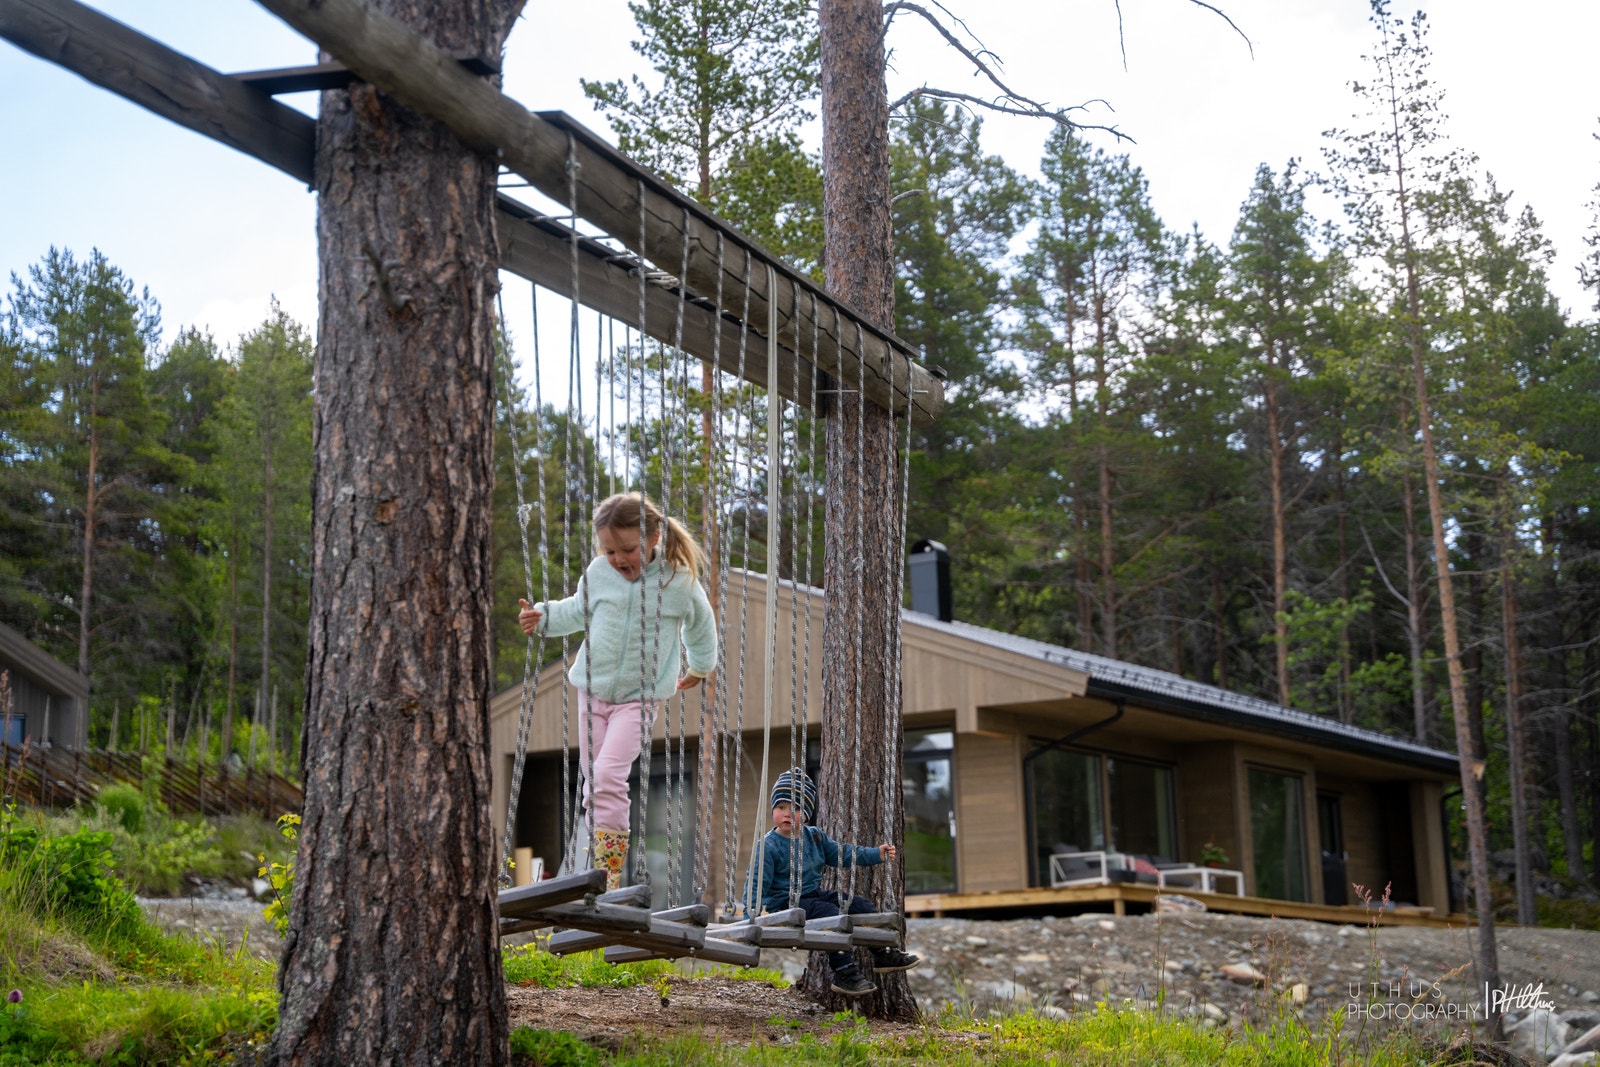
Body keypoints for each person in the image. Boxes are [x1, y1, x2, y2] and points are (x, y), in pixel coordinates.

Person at [518, 492, 717, 889]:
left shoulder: (677, 581)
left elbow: (701, 625)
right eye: (610, 551)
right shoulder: (598, 573)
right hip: (591, 690)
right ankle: (592, 869)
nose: (618, 559)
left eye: (628, 550)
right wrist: (542, 617)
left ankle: (607, 875)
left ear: (654, 536)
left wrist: (700, 666)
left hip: (639, 699)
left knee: (608, 774)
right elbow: (576, 609)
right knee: (594, 782)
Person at [744, 768, 920, 997]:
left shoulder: (814, 836)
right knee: (832, 915)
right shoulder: (767, 846)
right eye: (781, 807)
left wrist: (875, 854)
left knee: (861, 905)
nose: (787, 814)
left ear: (806, 814)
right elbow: (756, 883)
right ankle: (844, 972)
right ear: (773, 810)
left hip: (811, 896)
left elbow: (843, 854)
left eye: (795, 808)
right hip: (785, 905)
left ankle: (882, 954)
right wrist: (749, 918)